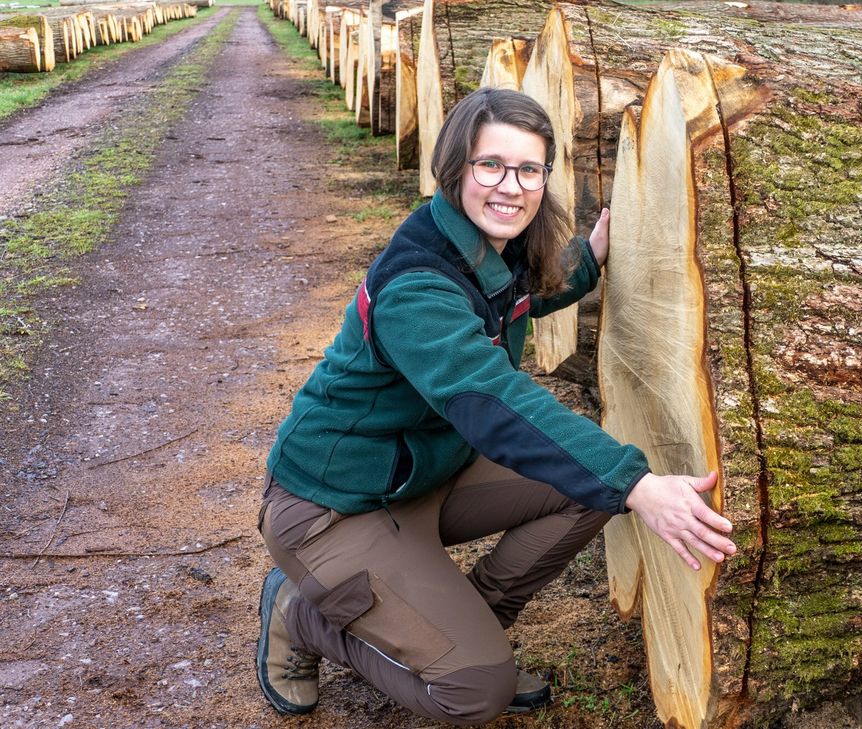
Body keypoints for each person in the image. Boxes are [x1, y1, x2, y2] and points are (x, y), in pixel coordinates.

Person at [255, 87, 736, 724]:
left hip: (423, 478)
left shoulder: (483, 247)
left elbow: (517, 297)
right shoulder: (418, 284)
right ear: (455, 169)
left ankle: (464, 628)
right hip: (333, 510)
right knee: (473, 692)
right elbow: (495, 402)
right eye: (491, 165)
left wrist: (588, 260)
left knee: (590, 487)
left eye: (530, 169)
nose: (511, 186)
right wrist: (638, 484)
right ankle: (301, 615)